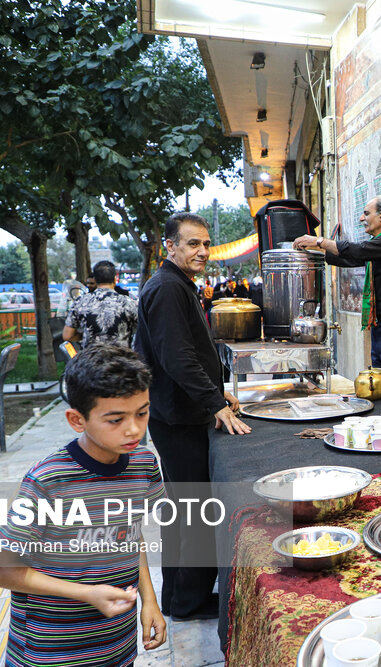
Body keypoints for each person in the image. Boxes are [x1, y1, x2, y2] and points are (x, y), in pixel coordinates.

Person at [0, 343, 167, 666]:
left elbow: (130, 534)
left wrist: (149, 601)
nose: (134, 429)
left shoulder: (142, 463)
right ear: (76, 420)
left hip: (116, 645)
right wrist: (86, 593)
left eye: (142, 412)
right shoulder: (48, 481)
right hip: (51, 651)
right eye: (115, 419)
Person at [134, 212, 252, 621]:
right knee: (194, 510)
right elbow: (177, 357)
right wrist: (214, 404)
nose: (202, 251)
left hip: (182, 410)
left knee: (187, 508)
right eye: (191, 244)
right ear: (171, 246)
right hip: (176, 417)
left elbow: (188, 350)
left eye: (205, 244)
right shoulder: (166, 288)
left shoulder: (177, 284)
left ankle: (179, 596)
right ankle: (187, 601)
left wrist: (217, 390)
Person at [293, 195, 381, 377]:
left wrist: (320, 241)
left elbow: (359, 251)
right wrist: (314, 252)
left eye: (366, 213)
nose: (362, 218)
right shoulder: (378, 248)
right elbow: (351, 258)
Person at [63, 260, 139, 348]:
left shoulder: (80, 302)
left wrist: (85, 335)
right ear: (115, 279)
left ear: (95, 279)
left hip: (90, 359)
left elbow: (67, 336)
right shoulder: (128, 302)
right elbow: (143, 330)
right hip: (121, 359)